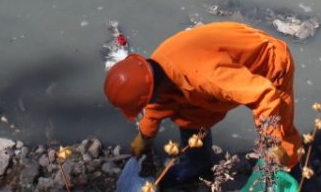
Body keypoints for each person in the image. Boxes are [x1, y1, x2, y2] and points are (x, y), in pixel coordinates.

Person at [104, 22, 302, 188]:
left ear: (151, 91)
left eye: (146, 102)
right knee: (188, 115)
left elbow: (264, 94)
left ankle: (291, 178)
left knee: (282, 137)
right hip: (224, 58)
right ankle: (199, 166)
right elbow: (159, 104)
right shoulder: (157, 69)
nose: (149, 105)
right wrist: (145, 136)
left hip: (269, 64)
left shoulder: (205, 75)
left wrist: (270, 143)